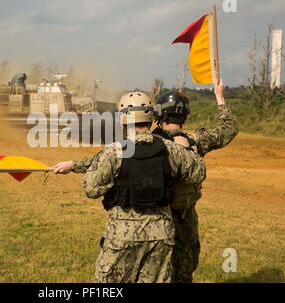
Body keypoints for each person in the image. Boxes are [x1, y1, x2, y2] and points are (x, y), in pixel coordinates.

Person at [52, 90, 206, 282]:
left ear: (123, 119)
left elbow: (91, 188)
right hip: (161, 236)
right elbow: (198, 172)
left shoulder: (114, 152)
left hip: (122, 236)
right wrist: (185, 147)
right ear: (151, 117)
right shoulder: (170, 149)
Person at [152, 79, 239, 282]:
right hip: (185, 217)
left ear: (160, 114)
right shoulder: (194, 141)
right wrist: (219, 96)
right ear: (184, 115)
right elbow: (229, 128)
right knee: (184, 270)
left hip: (156, 217)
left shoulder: (151, 142)